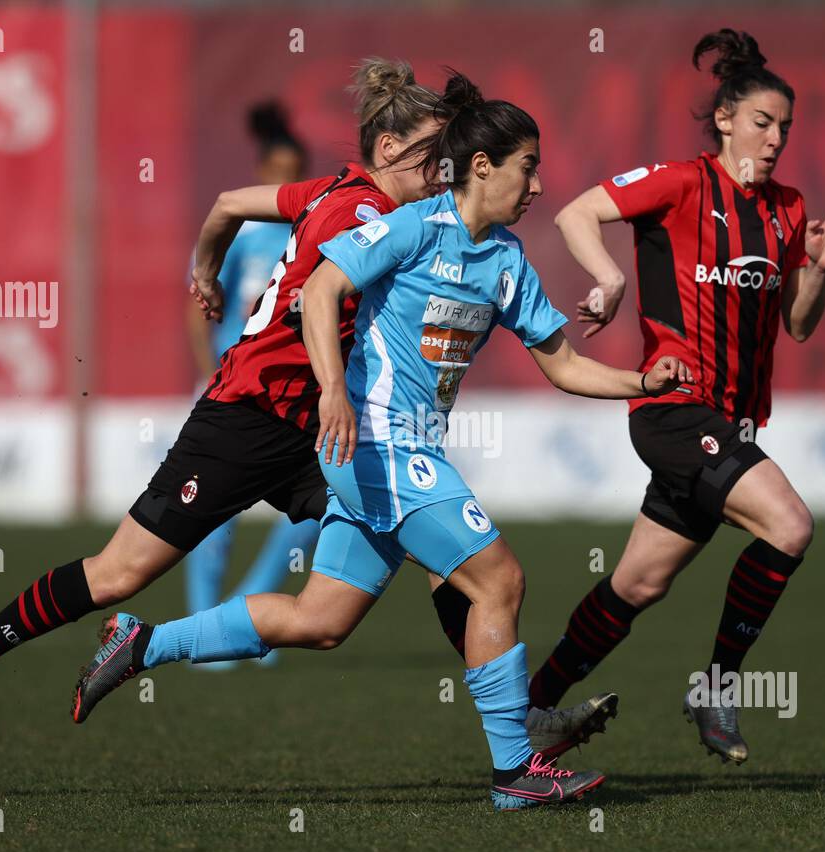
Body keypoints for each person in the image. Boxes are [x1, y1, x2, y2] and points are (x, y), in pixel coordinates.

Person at [73, 72, 694, 811]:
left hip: (404, 454)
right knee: (499, 579)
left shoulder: (504, 262)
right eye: (528, 167)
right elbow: (324, 290)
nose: (537, 185)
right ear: (484, 166)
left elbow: (561, 363)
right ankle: (516, 771)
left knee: (320, 620)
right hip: (379, 447)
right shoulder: (411, 227)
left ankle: (141, 643)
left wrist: (641, 383)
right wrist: (333, 390)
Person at [526, 28, 825, 764]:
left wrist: (821, 272)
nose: (774, 140)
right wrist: (608, 279)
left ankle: (532, 710)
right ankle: (716, 688)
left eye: (785, 128)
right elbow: (575, 213)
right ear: (726, 121)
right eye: (762, 123)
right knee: (791, 526)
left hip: (726, 423)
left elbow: (798, 328)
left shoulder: (789, 210)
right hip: (673, 412)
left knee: (637, 584)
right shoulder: (680, 183)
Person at [182, 102, 317, 670]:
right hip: (234, 382)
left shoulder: (319, 227)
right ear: (263, 171)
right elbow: (201, 299)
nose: (286, 181)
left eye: (296, 170)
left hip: (294, 393)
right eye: (278, 169)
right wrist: (204, 368)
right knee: (209, 511)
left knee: (318, 513)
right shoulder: (242, 229)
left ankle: (250, 612)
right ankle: (201, 629)